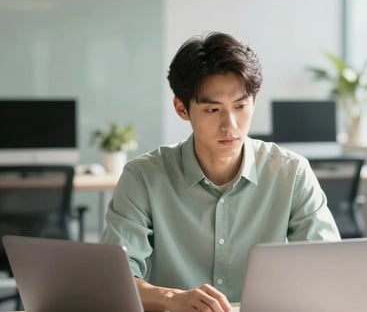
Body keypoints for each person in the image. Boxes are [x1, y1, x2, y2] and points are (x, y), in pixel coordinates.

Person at [101, 31, 340, 312]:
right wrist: (172, 299)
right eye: (213, 110)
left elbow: (328, 270)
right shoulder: (143, 177)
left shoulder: (292, 173)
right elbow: (115, 281)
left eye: (240, 106)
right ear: (182, 108)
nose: (231, 125)